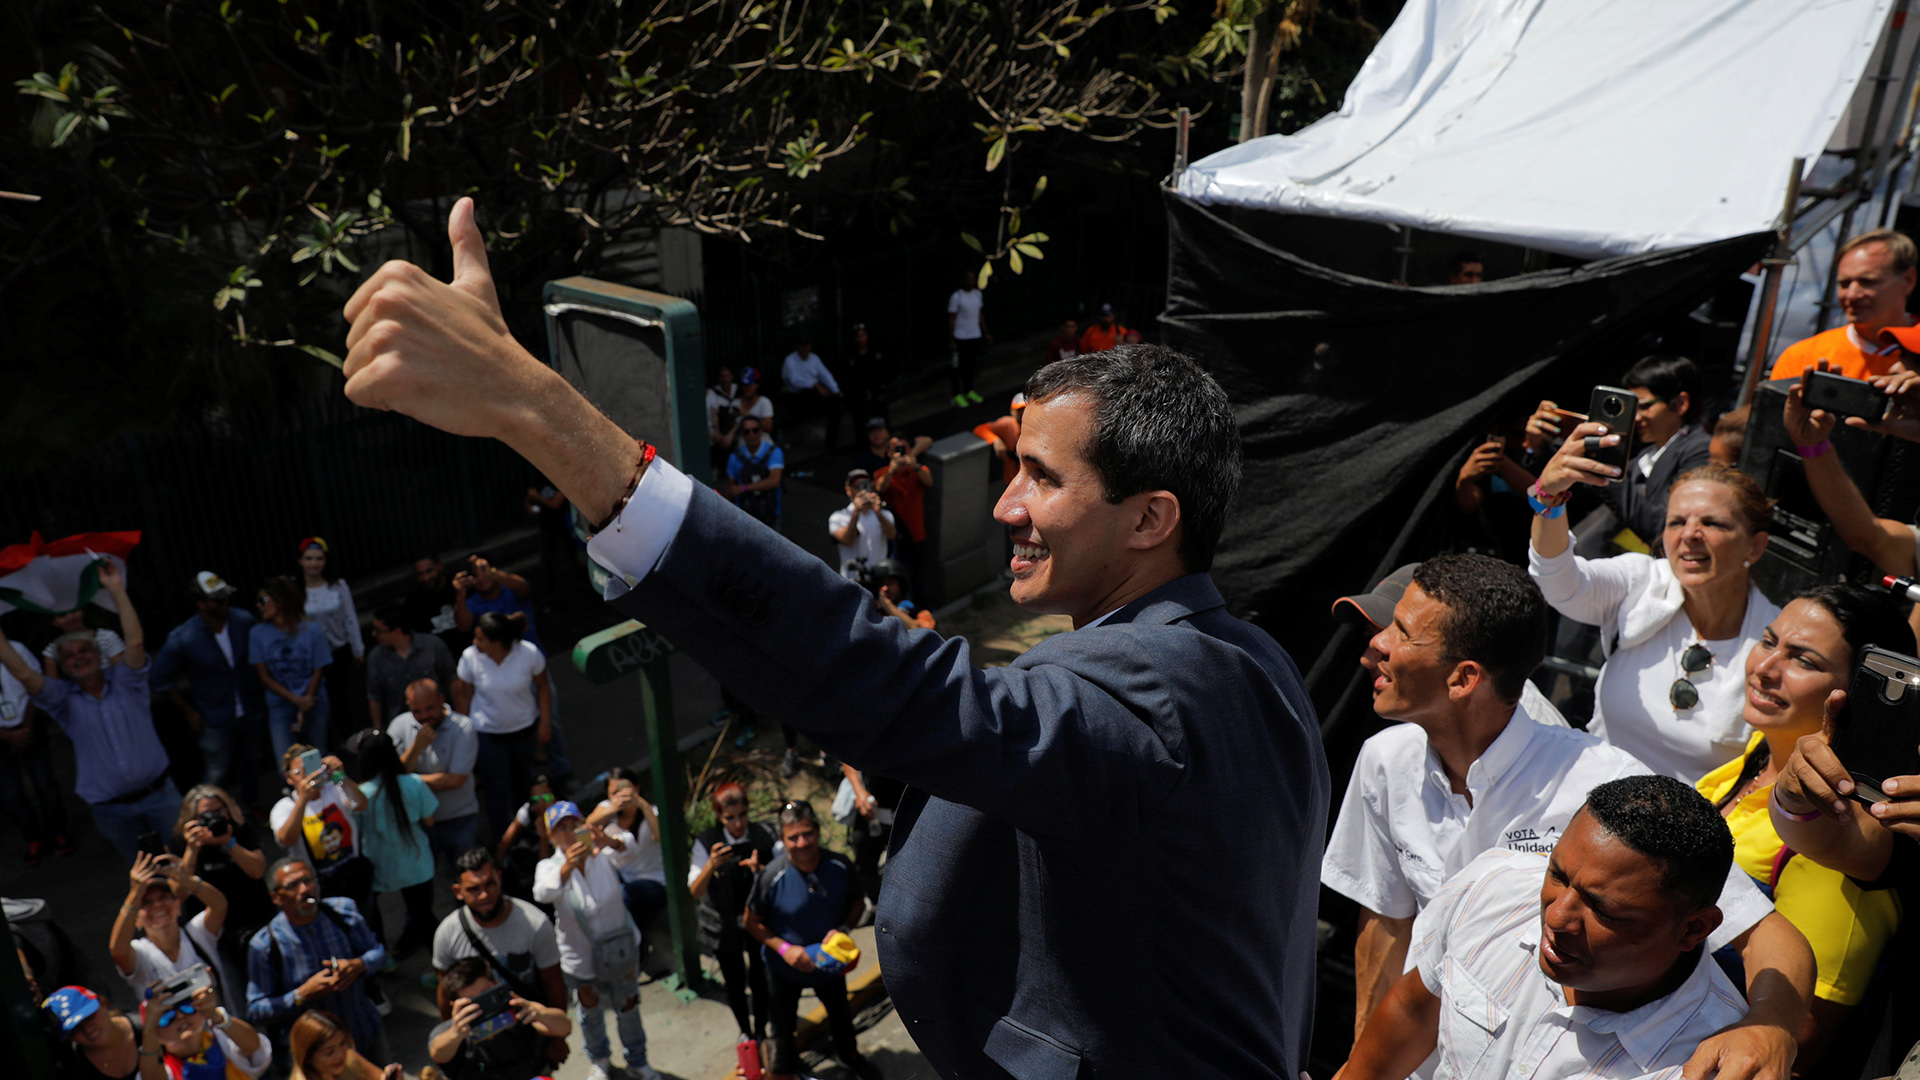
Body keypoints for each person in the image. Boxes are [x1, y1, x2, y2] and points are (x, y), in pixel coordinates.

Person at [339, 198, 1330, 1078]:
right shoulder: (1252, 664)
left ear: (1152, 518)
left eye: (1043, 477)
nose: (1006, 507)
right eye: (1012, 468)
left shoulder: (1150, 704)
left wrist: (536, 409)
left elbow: (890, 682)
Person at [1324, 555, 1809, 1074]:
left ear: (1464, 678)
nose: (1376, 643)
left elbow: (1766, 934)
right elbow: (1386, 922)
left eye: (1400, 630)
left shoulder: (1607, 789)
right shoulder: (1386, 760)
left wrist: (1770, 1027)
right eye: (1556, 874)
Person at [1338, 777, 1746, 1080]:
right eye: (1558, 874)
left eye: (1603, 909)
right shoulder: (1493, 887)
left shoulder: (1711, 1064)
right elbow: (1413, 1010)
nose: (1556, 917)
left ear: (1694, 929)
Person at [1690, 585, 1907, 1069]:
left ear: (1858, 695)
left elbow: (1798, 1042)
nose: (1765, 669)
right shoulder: (1758, 753)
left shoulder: (1836, 850)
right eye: (1768, 641)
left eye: (1802, 660)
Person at [1528, 450, 1780, 782]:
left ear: (1755, 547)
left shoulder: (1777, 646)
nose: (1689, 534)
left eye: (1712, 522)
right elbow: (1557, 583)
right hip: (1591, 807)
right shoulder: (1642, 582)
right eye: (1676, 522)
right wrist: (1550, 497)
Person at [0, 561, 178, 863]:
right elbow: (23, 672)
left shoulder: (128, 684)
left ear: (98, 655)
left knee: (188, 864)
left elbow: (134, 642)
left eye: (84, 651)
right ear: (64, 666)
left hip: (162, 798)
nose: (78, 658)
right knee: (146, 882)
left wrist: (116, 590)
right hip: (111, 810)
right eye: (69, 656)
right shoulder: (63, 702)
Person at [744, 801, 877, 1080]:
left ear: (818, 831)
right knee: (781, 1029)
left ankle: (849, 1056)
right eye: (793, 837)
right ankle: (787, 1070)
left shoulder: (840, 865)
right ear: (783, 839)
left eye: (808, 834)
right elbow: (751, 922)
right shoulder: (771, 875)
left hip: (829, 968)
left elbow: (858, 904)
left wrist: (842, 929)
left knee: (841, 1017)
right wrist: (784, 949)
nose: (802, 843)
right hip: (783, 970)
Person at [531, 801, 660, 1080]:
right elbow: (543, 892)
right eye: (561, 829)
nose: (568, 834)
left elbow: (630, 848)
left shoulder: (603, 853)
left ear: (584, 826)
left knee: (628, 1008)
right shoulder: (548, 866)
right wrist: (568, 866)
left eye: (573, 825)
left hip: (622, 951)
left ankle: (637, 1061)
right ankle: (599, 1060)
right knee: (590, 1013)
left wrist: (610, 840)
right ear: (552, 837)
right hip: (582, 960)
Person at [1525, 355, 1713, 545]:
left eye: (1644, 406)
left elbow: (1662, 527)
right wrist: (1538, 447)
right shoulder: (1645, 454)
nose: (1636, 417)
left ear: (1680, 403)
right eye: (1631, 408)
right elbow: (1580, 495)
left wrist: (1606, 463)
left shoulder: (1702, 450)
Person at [430, 847, 569, 1071]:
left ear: (499, 878)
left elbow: (554, 985)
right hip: (482, 1055)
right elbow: (445, 995)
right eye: (473, 889)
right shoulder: (447, 934)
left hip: (530, 1043)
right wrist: (453, 1040)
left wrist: (557, 1040)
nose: (484, 895)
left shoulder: (535, 924)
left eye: (489, 884)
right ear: (458, 891)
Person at [244, 858, 386, 1064]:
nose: (305, 889)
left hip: (364, 1033)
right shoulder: (265, 945)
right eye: (293, 885)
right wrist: (301, 994)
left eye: (308, 880)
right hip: (316, 1059)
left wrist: (358, 966)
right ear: (276, 897)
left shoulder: (343, 912)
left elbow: (377, 952)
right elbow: (256, 1009)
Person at [153, 571, 268, 807]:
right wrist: (187, 710)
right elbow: (160, 678)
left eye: (226, 598)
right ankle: (208, 816)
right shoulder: (184, 637)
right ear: (201, 604)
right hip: (215, 716)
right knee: (217, 773)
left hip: (250, 708)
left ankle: (250, 808)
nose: (225, 603)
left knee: (253, 761)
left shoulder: (243, 621)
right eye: (218, 600)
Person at [689, 783, 779, 1042]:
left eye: (742, 815)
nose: (738, 823)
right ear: (719, 816)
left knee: (761, 978)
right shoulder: (707, 843)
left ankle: (761, 1029)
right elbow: (695, 890)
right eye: (730, 818)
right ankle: (745, 1031)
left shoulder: (765, 835)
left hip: (756, 920)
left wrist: (763, 873)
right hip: (723, 924)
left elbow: (785, 875)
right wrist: (710, 866)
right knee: (735, 983)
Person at [1769, 228, 1917, 381]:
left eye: (1867, 281)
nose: (1852, 295)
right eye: (1844, 283)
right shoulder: (1804, 356)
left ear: (1908, 280)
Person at [452, 611, 550, 840]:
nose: (475, 643)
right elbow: (464, 696)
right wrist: (461, 736)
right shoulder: (470, 658)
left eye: (481, 639)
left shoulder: (528, 654)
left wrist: (545, 722)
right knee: (496, 789)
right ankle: (503, 840)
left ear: (497, 642)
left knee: (524, 784)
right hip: (489, 736)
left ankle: (530, 835)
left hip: (524, 732)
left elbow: (543, 686)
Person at [347, 730, 438, 957]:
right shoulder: (414, 783)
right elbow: (429, 818)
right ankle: (444, 965)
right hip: (417, 864)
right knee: (424, 917)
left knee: (371, 913)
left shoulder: (360, 795)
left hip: (379, 865)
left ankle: (381, 957)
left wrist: (338, 777)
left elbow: (353, 830)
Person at [110, 851, 236, 1013]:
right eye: (146, 903)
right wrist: (134, 895)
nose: (157, 905)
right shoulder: (141, 953)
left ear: (178, 905)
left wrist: (186, 879)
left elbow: (219, 905)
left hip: (223, 1032)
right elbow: (117, 950)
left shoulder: (197, 933)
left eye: (163, 897)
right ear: (136, 920)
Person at [171, 785, 274, 982]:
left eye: (219, 810)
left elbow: (257, 870)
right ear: (193, 819)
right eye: (206, 814)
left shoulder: (240, 829)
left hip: (257, 917)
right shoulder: (181, 843)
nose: (214, 817)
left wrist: (229, 842)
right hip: (217, 933)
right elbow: (178, 893)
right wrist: (192, 850)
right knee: (234, 984)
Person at [429, 958, 573, 1080]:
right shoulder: (452, 1032)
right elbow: (437, 1052)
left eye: (485, 995)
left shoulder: (518, 1009)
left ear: (496, 983)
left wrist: (539, 1015)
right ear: (456, 1005)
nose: (483, 1006)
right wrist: (457, 1032)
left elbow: (565, 1026)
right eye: (473, 1002)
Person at [270, 746, 373, 916]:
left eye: (310, 768)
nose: (306, 775)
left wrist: (341, 775)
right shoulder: (285, 807)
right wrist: (303, 799)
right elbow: (286, 839)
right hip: (323, 886)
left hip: (356, 876)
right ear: (289, 778)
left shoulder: (334, 789)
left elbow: (361, 805)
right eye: (298, 772)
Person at [387, 677, 480, 864]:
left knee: (468, 876)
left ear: (441, 700)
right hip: (419, 823)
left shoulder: (463, 728)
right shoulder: (399, 726)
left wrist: (408, 781)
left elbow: (455, 780)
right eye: (416, 711)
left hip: (459, 819)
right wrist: (416, 748)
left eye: (430, 708)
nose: (424, 716)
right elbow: (391, 774)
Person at [0, 630, 70, 864]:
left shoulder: (15, 649)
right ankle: (33, 838)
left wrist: (27, 729)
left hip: (29, 725)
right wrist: (8, 737)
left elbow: (35, 685)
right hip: (2, 736)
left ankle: (58, 832)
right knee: (11, 794)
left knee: (45, 784)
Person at [249, 576, 333, 762]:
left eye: (263, 601)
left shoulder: (311, 629)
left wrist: (305, 703)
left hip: (313, 699)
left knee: (318, 757)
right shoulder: (257, 634)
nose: (259, 606)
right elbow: (264, 676)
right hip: (281, 705)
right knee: (285, 763)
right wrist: (295, 700)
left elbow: (318, 669)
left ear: (279, 601)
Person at [584, 768, 668, 929]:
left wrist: (641, 804)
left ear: (636, 789)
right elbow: (588, 825)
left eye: (625, 790)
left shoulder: (652, 812)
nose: (621, 796)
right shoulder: (607, 810)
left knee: (621, 894)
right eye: (614, 793)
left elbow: (660, 837)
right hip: (622, 876)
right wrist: (613, 808)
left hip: (654, 881)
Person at [136, 980, 270, 1080]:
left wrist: (215, 1015)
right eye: (166, 1015)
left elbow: (253, 1046)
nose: (180, 1016)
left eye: (186, 1006)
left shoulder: (223, 1042)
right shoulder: (163, 1070)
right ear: (155, 1032)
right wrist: (149, 1030)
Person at [297, 539, 362, 738]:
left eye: (319, 558)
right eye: (309, 558)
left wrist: (358, 648)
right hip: (310, 656)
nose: (314, 563)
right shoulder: (297, 590)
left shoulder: (337, 585)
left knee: (340, 697)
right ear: (300, 561)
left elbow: (350, 617)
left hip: (338, 650)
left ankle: (348, 738)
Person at [363, 603, 455, 730]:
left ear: (397, 631)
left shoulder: (433, 646)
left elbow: (452, 680)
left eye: (379, 631)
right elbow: (375, 697)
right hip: (402, 729)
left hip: (440, 722)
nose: (374, 634)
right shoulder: (376, 658)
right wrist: (378, 730)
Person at [875, 431, 934, 592]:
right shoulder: (882, 473)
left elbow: (928, 480)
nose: (900, 452)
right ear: (888, 453)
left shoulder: (917, 470)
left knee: (920, 577)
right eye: (895, 449)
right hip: (895, 538)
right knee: (898, 577)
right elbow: (880, 488)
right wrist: (892, 470)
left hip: (917, 535)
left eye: (903, 448)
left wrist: (913, 463)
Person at [840, 764, 904, 909]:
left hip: (908, 812)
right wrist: (858, 790)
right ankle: (874, 901)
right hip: (872, 812)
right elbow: (849, 758)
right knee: (864, 863)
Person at [45, 986, 141, 1080]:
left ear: (102, 1004)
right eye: (75, 1029)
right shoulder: (73, 1066)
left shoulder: (148, 1028)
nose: (87, 1030)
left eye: (88, 1017)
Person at [453, 554, 540, 651]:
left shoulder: (511, 587)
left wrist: (492, 573)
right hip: (498, 661)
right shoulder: (471, 602)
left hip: (530, 654)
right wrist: (460, 595)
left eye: (483, 571)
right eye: (475, 575)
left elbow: (526, 589)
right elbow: (463, 626)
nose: (481, 577)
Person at [284, 1009, 400, 1080]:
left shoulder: (350, 1059)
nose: (341, 1055)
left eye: (343, 1043)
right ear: (307, 1057)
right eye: (329, 1052)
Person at [828, 470, 896, 583]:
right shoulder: (838, 517)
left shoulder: (884, 514)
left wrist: (878, 513)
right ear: (848, 490)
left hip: (878, 580)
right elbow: (848, 540)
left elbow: (892, 535)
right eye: (857, 487)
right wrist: (856, 513)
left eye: (865, 485)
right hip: (851, 580)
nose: (862, 490)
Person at [781, 338, 846, 449]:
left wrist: (836, 390)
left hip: (814, 394)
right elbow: (794, 380)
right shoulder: (790, 360)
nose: (805, 348)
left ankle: (831, 443)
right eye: (802, 346)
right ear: (797, 347)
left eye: (807, 345)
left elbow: (825, 375)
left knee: (835, 405)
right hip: (796, 396)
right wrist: (814, 385)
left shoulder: (814, 358)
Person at [721, 415, 784, 529]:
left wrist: (743, 488)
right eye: (747, 432)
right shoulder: (734, 457)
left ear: (761, 432)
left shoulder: (774, 452)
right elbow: (730, 489)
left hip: (770, 513)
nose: (751, 435)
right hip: (744, 514)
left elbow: (774, 481)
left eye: (755, 430)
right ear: (741, 434)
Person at [401, 555, 467, 657]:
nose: (426, 578)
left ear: (439, 566)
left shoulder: (458, 588)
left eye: (429, 571)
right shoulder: (414, 603)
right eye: (420, 574)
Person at [38, 605, 126, 678]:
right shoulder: (52, 651)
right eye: (62, 615)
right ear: (54, 622)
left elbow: (123, 674)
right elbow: (55, 690)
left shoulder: (107, 637)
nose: (70, 617)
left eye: (74, 611)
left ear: (82, 610)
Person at [524, 475, 573, 605]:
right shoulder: (539, 479)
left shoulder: (559, 480)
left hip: (563, 527)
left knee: (569, 563)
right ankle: (551, 597)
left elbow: (556, 503)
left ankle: (574, 595)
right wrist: (530, 504)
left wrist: (537, 497)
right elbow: (530, 496)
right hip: (545, 527)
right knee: (547, 563)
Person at [946, 270, 989, 407]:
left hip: (974, 336)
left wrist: (985, 332)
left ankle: (968, 391)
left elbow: (980, 314)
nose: (971, 281)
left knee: (970, 366)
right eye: (969, 279)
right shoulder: (957, 297)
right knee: (957, 367)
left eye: (973, 279)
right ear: (963, 280)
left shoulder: (977, 294)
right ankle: (956, 395)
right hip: (960, 338)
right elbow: (951, 319)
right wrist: (952, 340)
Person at [706, 365, 742, 458]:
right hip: (720, 432)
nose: (725, 379)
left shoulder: (739, 390)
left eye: (727, 375)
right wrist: (719, 434)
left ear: (732, 377)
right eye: (722, 376)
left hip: (738, 429)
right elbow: (715, 415)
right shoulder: (714, 393)